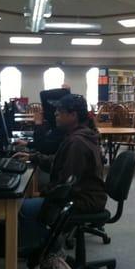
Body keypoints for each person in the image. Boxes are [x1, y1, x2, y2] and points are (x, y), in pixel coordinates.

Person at [16, 94, 107, 252]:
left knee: (22, 208)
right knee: (28, 202)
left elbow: (64, 185)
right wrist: (33, 157)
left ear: (73, 115)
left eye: (60, 111)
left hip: (82, 200)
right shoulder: (79, 135)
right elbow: (59, 162)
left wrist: (42, 193)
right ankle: (46, 245)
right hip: (89, 196)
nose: (55, 114)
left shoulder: (76, 142)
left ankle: (43, 252)